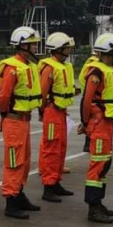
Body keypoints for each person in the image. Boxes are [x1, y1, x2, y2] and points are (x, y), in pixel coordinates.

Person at [0, 26, 44, 219]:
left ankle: (19, 193)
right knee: (14, 162)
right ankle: (10, 200)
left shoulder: (29, 66)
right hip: (15, 120)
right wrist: (3, 116)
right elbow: (4, 95)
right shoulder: (12, 67)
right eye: (32, 44)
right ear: (23, 45)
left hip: (25, 120)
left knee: (24, 161)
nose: (35, 47)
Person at [82, 33, 113, 224]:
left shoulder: (110, 70)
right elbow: (86, 100)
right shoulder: (96, 72)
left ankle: (98, 203)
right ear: (108, 52)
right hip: (99, 123)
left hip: (107, 122)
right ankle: (93, 208)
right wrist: (85, 124)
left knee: (104, 165)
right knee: (97, 165)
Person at [39, 32, 77, 202]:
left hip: (61, 111)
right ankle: (48, 186)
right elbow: (43, 92)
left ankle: (56, 182)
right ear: (58, 49)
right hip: (52, 111)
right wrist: (42, 111)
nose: (69, 50)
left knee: (61, 148)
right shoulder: (49, 67)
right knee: (51, 149)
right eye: (66, 47)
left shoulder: (63, 66)